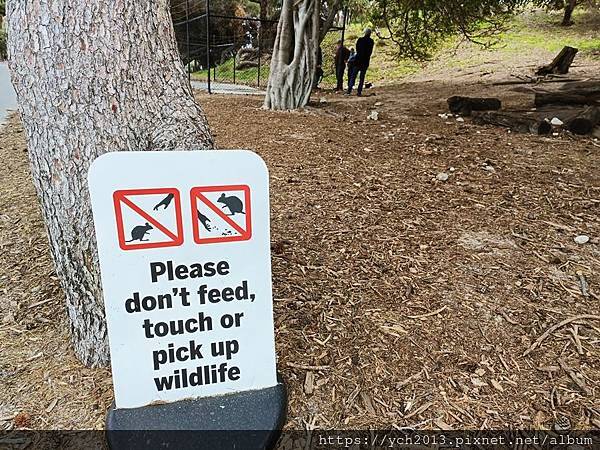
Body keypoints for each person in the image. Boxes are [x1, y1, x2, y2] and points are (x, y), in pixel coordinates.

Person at [347, 28, 374, 96]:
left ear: (365, 33)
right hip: (365, 61)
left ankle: (349, 90)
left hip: (358, 61)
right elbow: (370, 52)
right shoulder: (371, 41)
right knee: (362, 78)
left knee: (353, 76)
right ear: (370, 34)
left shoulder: (360, 40)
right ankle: (359, 92)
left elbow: (357, 49)